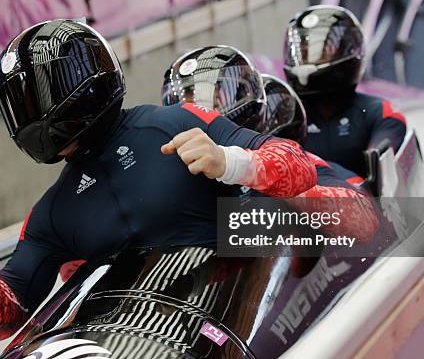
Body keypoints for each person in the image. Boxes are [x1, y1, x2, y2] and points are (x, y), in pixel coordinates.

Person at [0, 20, 317, 341]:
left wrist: (229, 162)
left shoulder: (177, 123)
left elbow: (300, 167)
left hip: (223, 317)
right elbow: (2, 324)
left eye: (33, 99)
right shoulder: (52, 213)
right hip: (126, 339)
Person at [162, 47, 378, 243]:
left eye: (210, 104)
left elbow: (364, 222)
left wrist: (282, 190)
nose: (199, 115)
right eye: (188, 106)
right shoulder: (165, 175)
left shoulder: (286, 163)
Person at [283, 5, 407, 178]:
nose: (308, 61)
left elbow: (381, 171)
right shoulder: (285, 119)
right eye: (303, 53)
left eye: (322, 53)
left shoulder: (380, 113)